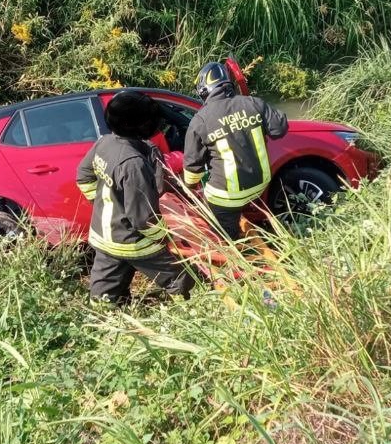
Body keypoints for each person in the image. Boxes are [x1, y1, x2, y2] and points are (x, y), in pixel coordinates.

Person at [76, 91, 195, 304]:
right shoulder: (133, 163)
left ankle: (108, 319)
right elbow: (143, 218)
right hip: (133, 242)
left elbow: (83, 177)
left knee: (105, 294)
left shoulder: (104, 143)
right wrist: (164, 236)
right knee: (180, 278)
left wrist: (101, 205)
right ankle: (188, 309)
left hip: (104, 237)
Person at [182, 61, 289, 240]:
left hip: (226, 196)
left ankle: (231, 246)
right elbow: (280, 129)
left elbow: (192, 170)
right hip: (260, 185)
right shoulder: (253, 103)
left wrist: (190, 188)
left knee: (223, 234)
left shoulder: (201, 120)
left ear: (204, 90)